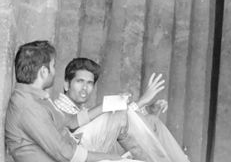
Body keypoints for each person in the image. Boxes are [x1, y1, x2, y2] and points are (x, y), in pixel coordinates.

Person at [4, 40, 133, 162]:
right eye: (53, 66)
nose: (55, 72)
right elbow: (65, 154)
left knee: (119, 116)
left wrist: (110, 103)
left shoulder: (37, 98)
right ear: (43, 72)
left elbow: (72, 121)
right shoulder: (29, 107)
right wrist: (110, 158)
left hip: (72, 151)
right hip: (69, 157)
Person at [52, 59, 188, 162]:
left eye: (89, 83)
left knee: (152, 121)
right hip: (79, 154)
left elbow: (119, 124)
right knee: (118, 112)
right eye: (79, 81)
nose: (84, 88)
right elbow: (74, 128)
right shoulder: (56, 107)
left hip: (98, 148)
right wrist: (140, 102)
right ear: (66, 84)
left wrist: (147, 109)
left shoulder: (84, 110)